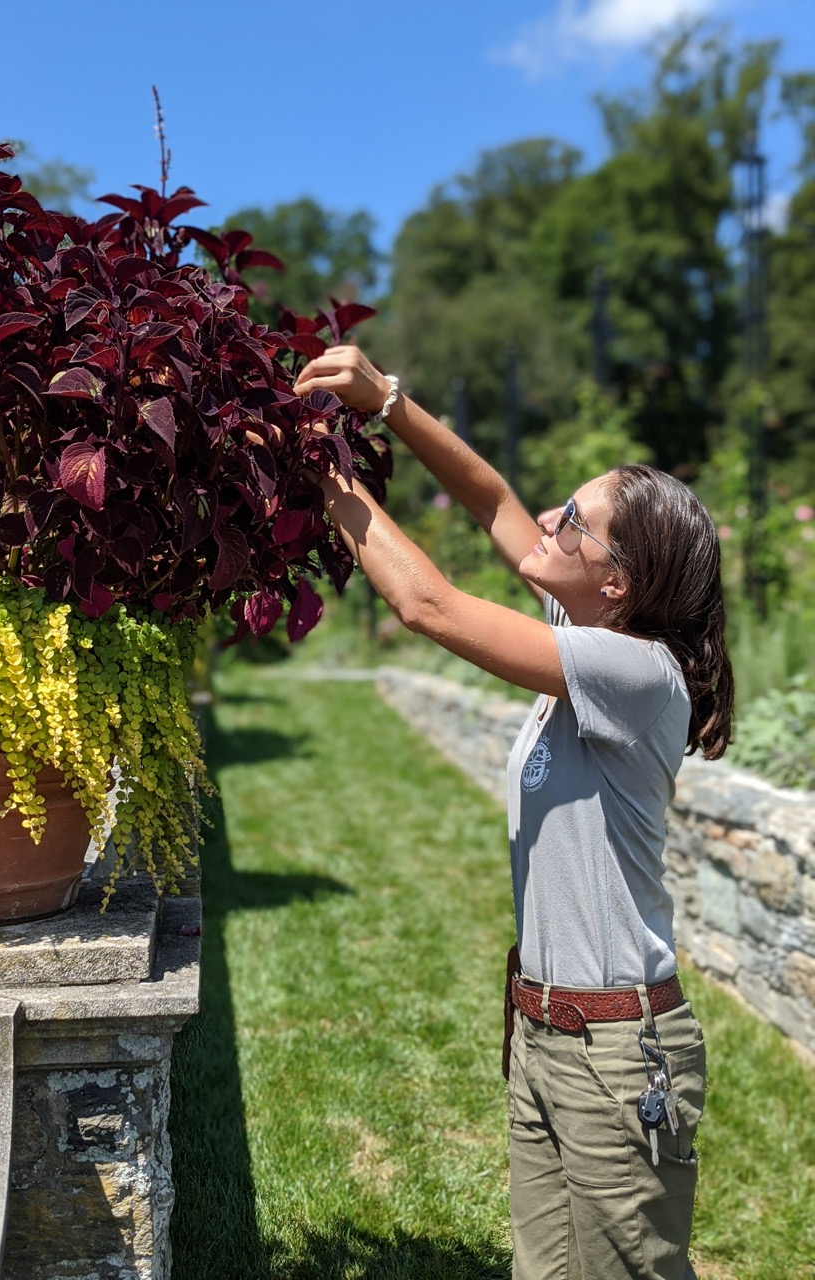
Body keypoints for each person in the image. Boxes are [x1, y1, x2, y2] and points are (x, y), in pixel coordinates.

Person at [293, 345, 733, 1280]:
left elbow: (430, 606)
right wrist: (389, 402)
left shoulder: (635, 671)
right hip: (546, 1031)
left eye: (574, 522)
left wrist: (317, 468)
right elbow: (494, 500)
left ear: (618, 583)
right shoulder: (587, 631)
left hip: (616, 1054)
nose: (548, 519)